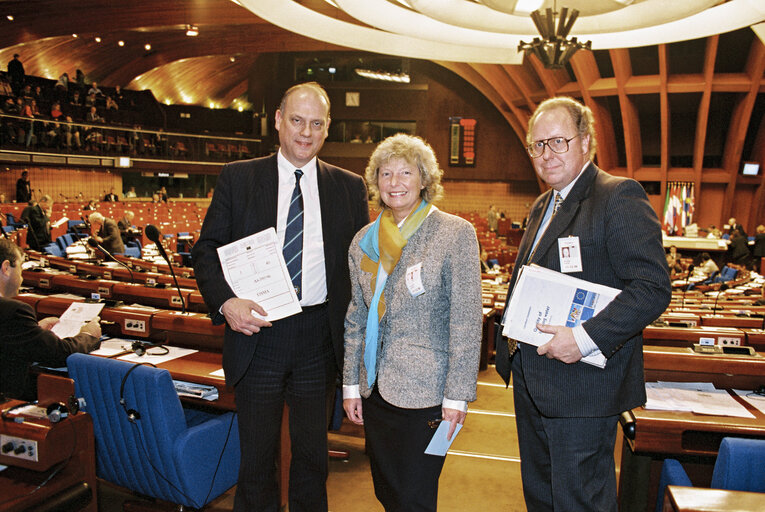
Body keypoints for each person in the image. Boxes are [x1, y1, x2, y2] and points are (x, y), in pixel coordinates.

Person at [191, 81, 369, 512]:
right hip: (257, 333)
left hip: (317, 337)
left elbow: (361, 271)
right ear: (277, 121)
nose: (306, 132)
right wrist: (226, 303)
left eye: (316, 123)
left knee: (311, 460)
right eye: (296, 120)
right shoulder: (239, 177)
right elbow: (205, 250)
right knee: (255, 463)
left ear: (327, 129)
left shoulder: (349, 187)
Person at [496, 97, 671, 512]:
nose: (546, 154)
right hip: (533, 380)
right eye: (537, 145)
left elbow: (652, 286)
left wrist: (584, 338)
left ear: (586, 141)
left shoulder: (617, 195)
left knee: (579, 503)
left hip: (582, 389)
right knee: (542, 498)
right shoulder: (543, 205)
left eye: (557, 141)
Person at [343, 133, 481, 511]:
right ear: (376, 183)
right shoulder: (363, 241)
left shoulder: (454, 233)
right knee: (387, 493)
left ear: (425, 179)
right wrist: (351, 386)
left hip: (427, 392)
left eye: (406, 172)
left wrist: (457, 396)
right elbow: (356, 317)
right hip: (375, 389)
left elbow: (467, 321)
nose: (395, 182)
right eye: (386, 174)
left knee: (414, 497)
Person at [0, 239, 102, 400]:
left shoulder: (11, 314)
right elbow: (60, 354)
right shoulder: (14, 311)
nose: (21, 276)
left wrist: (34, 330)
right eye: (20, 267)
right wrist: (88, 334)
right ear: (6, 268)